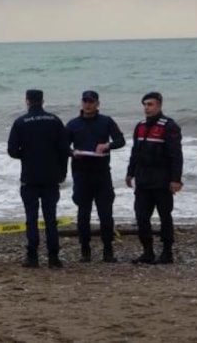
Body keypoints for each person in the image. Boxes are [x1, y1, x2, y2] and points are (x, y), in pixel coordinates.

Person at [7, 89, 68, 268]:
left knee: (31, 218)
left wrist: (26, 155)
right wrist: (62, 172)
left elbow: (12, 151)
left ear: (27, 101)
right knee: (51, 218)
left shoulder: (20, 122)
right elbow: (64, 150)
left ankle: (32, 256)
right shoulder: (54, 120)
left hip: (30, 176)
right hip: (51, 177)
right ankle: (53, 257)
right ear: (43, 101)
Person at [66, 90, 126, 263]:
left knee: (105, 214)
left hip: (102, 174)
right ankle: (85, 250)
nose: (88, 104)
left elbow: (120, 141)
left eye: (91, 101)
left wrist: (107, 145)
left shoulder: (106, 121)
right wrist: (73, 152)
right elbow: (62, 146)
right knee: (83, 214)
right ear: (81, 103)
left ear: (97, 104)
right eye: (85, 101)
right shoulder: (73, 124)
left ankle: (108, 250)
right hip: (81, 174)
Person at [126, 92, 183, 264]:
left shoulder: (169, 126)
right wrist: (130, 173)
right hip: (143, 180)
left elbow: (176, 155)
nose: (147, 108)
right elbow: (135, 152)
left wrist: (176, 179)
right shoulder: (140, 126)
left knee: (165, 216)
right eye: (145, 104)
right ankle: (148, 252)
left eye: (150, 104)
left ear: (159, 105)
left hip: (162, 180)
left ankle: (167, 252)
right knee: (141, 217)